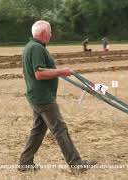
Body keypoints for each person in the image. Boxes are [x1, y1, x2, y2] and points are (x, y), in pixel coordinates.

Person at [18, 20, 96, 173]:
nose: (51, 34)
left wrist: (59, 71)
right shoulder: (36, 48)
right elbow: (39, 73)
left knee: (38, 130)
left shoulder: (31, 47)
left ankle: (25, 163)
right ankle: (76, 164)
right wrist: (61, 71)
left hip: (37, 96)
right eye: (50, 32)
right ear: (43, 33)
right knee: (60, 129)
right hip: (43, 98)